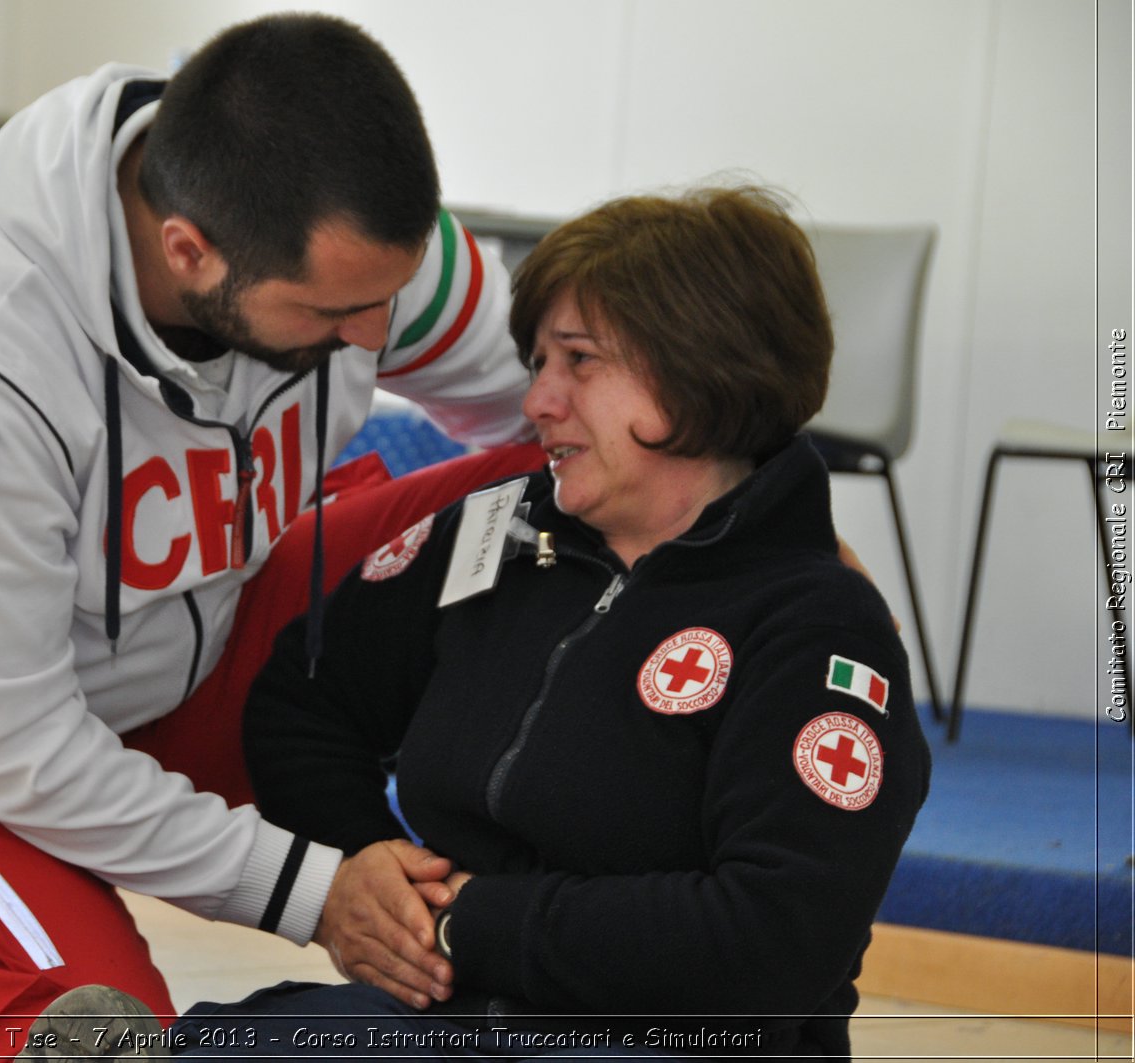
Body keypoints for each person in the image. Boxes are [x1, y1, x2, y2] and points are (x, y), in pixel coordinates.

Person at [0, 13, 547, 1060]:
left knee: (564, 486)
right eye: (333, 315)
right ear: (187, 251)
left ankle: (544, 881)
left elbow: (557, 412)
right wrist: (317, 891)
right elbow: (15, 749)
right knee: (92, 1045)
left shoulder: (351, 249)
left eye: (383, 302)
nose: (375, 338)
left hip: (178, 645)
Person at [60, 185, 931, 1061]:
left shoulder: (820, 626)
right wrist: (373, 880)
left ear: (699, 372)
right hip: (448, 1015)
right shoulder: (501, 530)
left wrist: (468, 922)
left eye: (578, 362)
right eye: (537, 361)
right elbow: (305, 699)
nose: (540, 400)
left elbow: (774, 938)